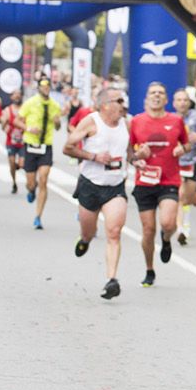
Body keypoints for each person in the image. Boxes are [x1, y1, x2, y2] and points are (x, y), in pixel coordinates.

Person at [64, 85, 131, 300]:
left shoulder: (126, 124)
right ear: (105, 105)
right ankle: (84, 240)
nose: (123, 105)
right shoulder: (91, 122)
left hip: (115, 186)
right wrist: (94, 157)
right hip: (91, 185)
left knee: (114, 232)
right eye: (118, 101)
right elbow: (68, 147)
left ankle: (111, 280)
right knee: (89, 232)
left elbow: (130, 152)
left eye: (123, 101)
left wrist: (140, 156)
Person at [127, 81, 190, 288]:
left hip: (169, 180)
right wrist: (137, 156)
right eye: (152, 93)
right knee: (147, 230)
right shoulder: (136, 122)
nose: (156, 96)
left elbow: (187, 143)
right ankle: (149, 269)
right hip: (145, 182)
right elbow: (128, 153)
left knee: (168, 223)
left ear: (166, 99)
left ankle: (166, 239)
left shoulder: (176, 121)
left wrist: (183, 149)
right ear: (146, 98)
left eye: (160, 93)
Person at [19, 75, 65, 230]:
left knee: (44, 179)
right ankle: (31, 190)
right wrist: (28, 128)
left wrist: (58, 123)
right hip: (31, 145)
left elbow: (58, 127)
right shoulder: (30, 103)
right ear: (38, 87)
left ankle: (38, 217)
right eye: (43, 86)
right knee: (31, 182)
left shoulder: (54, 105)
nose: (46, 88)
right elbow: (17, 120)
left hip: (46, 145)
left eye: (48, 86)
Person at [173, 88, 196, 244]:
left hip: (194, 160)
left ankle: (185, 221)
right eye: (179, 100)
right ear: (174, 103)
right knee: (180, 196)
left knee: (190, 198)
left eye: (185, 100)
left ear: (189, 102)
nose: (182, 103)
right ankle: (182, 228)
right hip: (177, 162)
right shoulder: (170, 119)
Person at [0, 90, 26, 195]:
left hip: (23, 142)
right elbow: (3, 125)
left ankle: (18, 167)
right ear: (11, 98)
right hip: (11, 141)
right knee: (11, 162)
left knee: (22, 164)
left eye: (19, 95)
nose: (17, 97)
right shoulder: (7, 110)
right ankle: (14, 182)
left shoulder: (25, 109)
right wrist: (4, 125)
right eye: (15, 95)